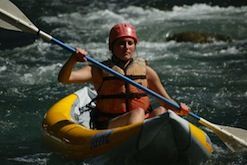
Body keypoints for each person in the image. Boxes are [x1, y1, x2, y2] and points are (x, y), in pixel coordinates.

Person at [58, 23, 189, 129]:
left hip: (141, 124)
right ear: (112, 47)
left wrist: (179, 108)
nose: (126, 47)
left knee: (160, 111)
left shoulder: (147, 72)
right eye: (121, 43)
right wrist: (73, 60)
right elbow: (64, 79)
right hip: (109, 125)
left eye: (130, 43)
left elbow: (165, 101)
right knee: (137, 113)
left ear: (134, 46)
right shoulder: (98, 70)